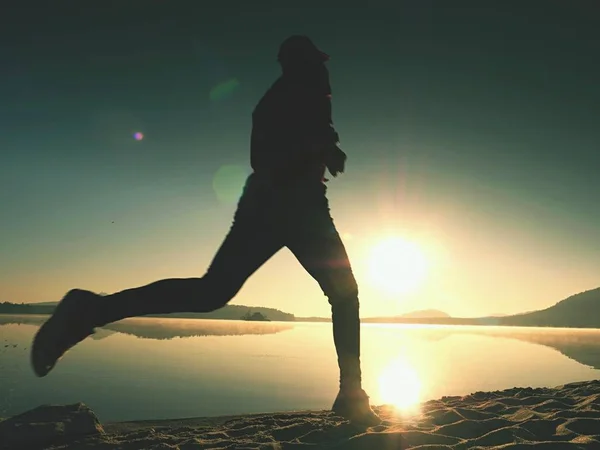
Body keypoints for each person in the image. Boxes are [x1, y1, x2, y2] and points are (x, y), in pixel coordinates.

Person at [31, 35, 381, 426]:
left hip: (299, 207)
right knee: (321, 295)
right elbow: (263, 158)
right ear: (296, 65)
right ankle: (89, 309)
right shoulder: (282, 99)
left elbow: (317, 135)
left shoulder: (312, 97)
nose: (323, 71)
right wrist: (317, 152)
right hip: (279, 206)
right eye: (315, 63)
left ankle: (91, 309)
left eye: (321, 64)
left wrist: (327, 148)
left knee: (226, 293)